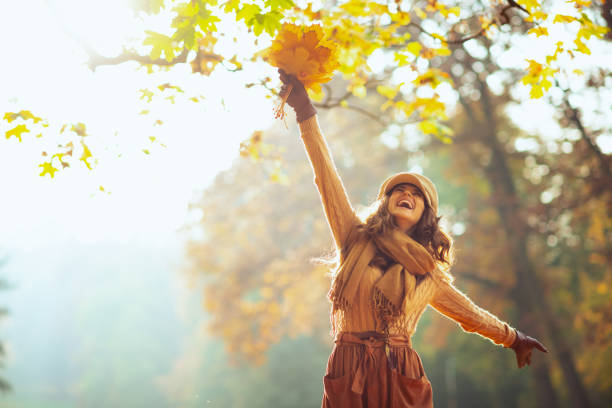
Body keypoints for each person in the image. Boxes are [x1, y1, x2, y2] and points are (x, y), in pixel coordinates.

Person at [278, 70, 548, 408]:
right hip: (350, 368)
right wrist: (304, 110)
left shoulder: (428, 274)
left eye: (415, 195)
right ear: (386, 203)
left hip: (400, 371)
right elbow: (325, 175)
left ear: (426, 215)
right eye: (399, 191)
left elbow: (471, 314)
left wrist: (514, 338)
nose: (406, 194)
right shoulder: (353, 237)